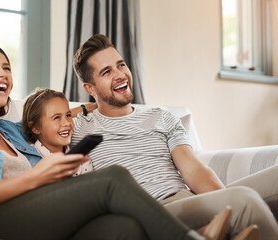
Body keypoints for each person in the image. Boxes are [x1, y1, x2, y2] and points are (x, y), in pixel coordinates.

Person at [0, 44, 233, 240]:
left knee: (124, 229)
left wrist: (89, 106)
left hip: (39, 214)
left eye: (7, 67)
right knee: (111, 178)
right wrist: (36, 177)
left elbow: (50, 120)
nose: (3, 73)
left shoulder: (12, 132)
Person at [71, 34, 278, 239]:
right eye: (107, 72)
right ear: (90, 88)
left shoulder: (161, 116)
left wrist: (224, 202)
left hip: (186, 201)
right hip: (151, 214)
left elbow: (193, 169)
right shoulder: (77, 129)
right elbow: (40, 118)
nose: (120, 75)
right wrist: (82, 109)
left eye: (121, 65)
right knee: (245, 200)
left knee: (253, 192)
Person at [22, 88, 93, 176]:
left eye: (68, 115)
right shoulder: (26, 161)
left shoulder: (82, 160)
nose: (67, 123)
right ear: (36, 128)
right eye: (57, 117)